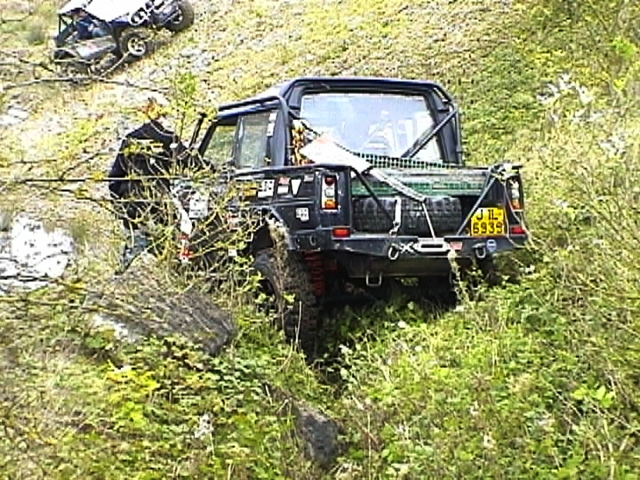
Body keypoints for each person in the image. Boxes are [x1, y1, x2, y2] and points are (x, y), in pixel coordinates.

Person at [108, 95, 189, 271]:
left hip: (133, 209)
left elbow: (114, 177)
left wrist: (119, 205)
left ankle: (126, 272)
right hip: (160, 208)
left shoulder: (131, 139)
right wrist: (214, 169)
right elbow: (190, 162)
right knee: (169, 251)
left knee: (133, 251)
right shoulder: (168, 138)